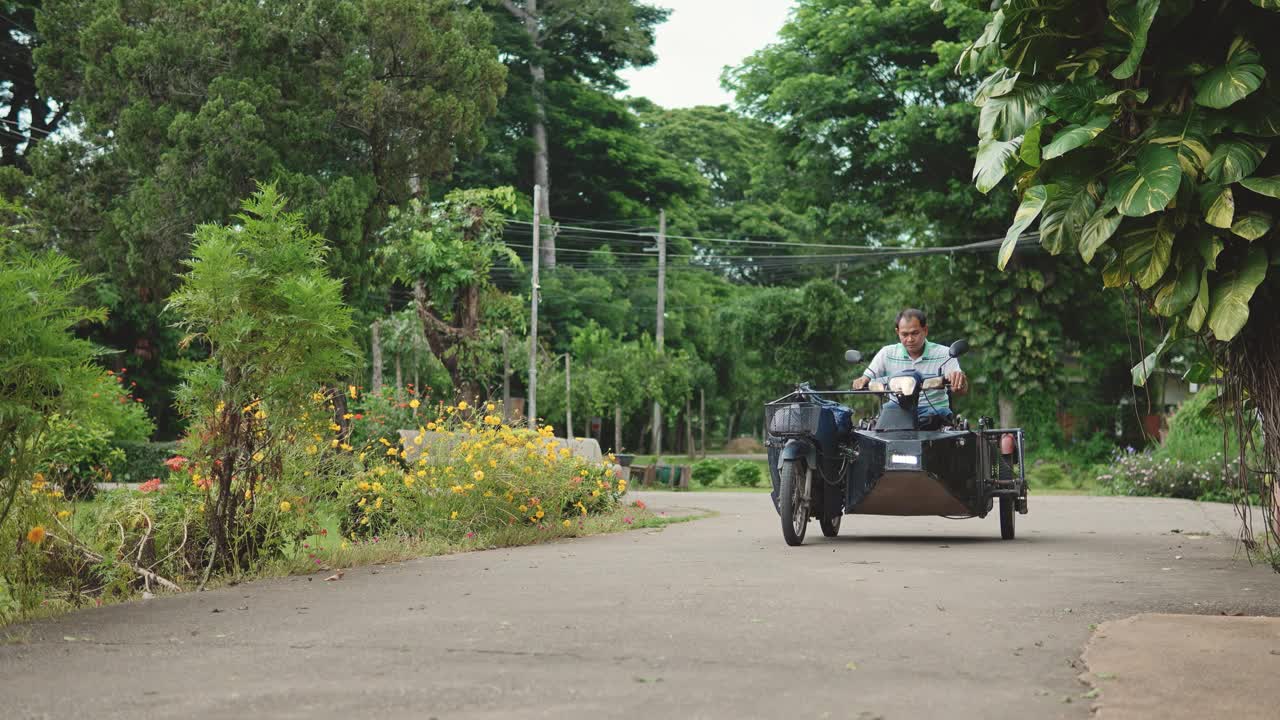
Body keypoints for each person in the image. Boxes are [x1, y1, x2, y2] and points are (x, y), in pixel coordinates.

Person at [851, 308, 967, 425]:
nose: (910, 339)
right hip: (896, 411)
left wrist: (959, 381)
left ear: (925, 330)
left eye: (915, 333)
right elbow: (867, 376)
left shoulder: (945, 354)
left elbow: (961, 388)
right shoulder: (886, 353)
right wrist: (861, 381)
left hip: (935, 411)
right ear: (897, 332)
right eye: (905, 334)